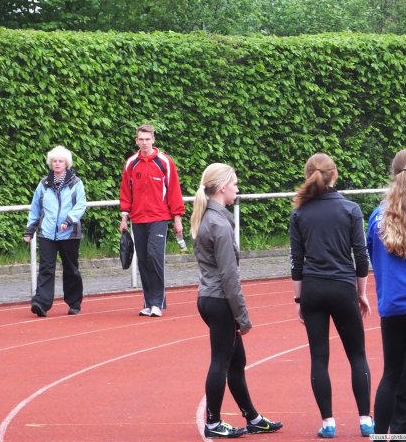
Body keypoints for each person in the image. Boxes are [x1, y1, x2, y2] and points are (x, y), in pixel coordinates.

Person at [191, 163, 283, 438]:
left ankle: (252, 417)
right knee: (221, 361)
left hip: (209, 297)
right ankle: (213, 423)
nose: (237, 188)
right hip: (219, 300)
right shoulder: (219, 224)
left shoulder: (208, 218)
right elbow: (229, 277)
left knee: (236, 360)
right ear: (222, 188)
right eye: (234, 183)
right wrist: (242, 317)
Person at [289, 153, 373, 438]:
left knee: (318, 357)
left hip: (313, 289)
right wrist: (361, 292)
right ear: (334, 175)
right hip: (342, 288)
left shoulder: (299, 213)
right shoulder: (350, 209)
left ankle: (328, 423)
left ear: (307, 175)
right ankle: (366, 420)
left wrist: (298, 300)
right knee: (357, 355)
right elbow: (361, 256)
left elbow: (296, 260)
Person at [366, 148, 406, 437]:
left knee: (390, 375)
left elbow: (372, 256)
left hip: (391, 305)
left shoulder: (377, 217)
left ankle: (380, 436)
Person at [118, 124, 184, 317]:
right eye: (141, 139)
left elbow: (174, 191)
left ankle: (157, 302)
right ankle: (149, 303)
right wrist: (124, 217)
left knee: (154, 256)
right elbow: (126, 192)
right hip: (137, 219)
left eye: (147, 139)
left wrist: (177, 219)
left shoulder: (165, 162)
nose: (144, 143)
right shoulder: (131, 163)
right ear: (136, 141)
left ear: (153, 140)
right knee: (143, 260)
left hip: (159, 218)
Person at [24, 146, 86, 317]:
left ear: (66, 163)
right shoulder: (43, 184)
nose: (57, 164)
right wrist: (30, 230)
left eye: (60, 161)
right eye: (54, 161)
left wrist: (69, 220)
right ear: (50, 163)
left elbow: (81, 205)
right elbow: (35, 207)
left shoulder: (76, 183)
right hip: (47, 233)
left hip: (69, 233)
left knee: (71, 268)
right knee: (46, 268)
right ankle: (41, 303)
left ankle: (74, 303)